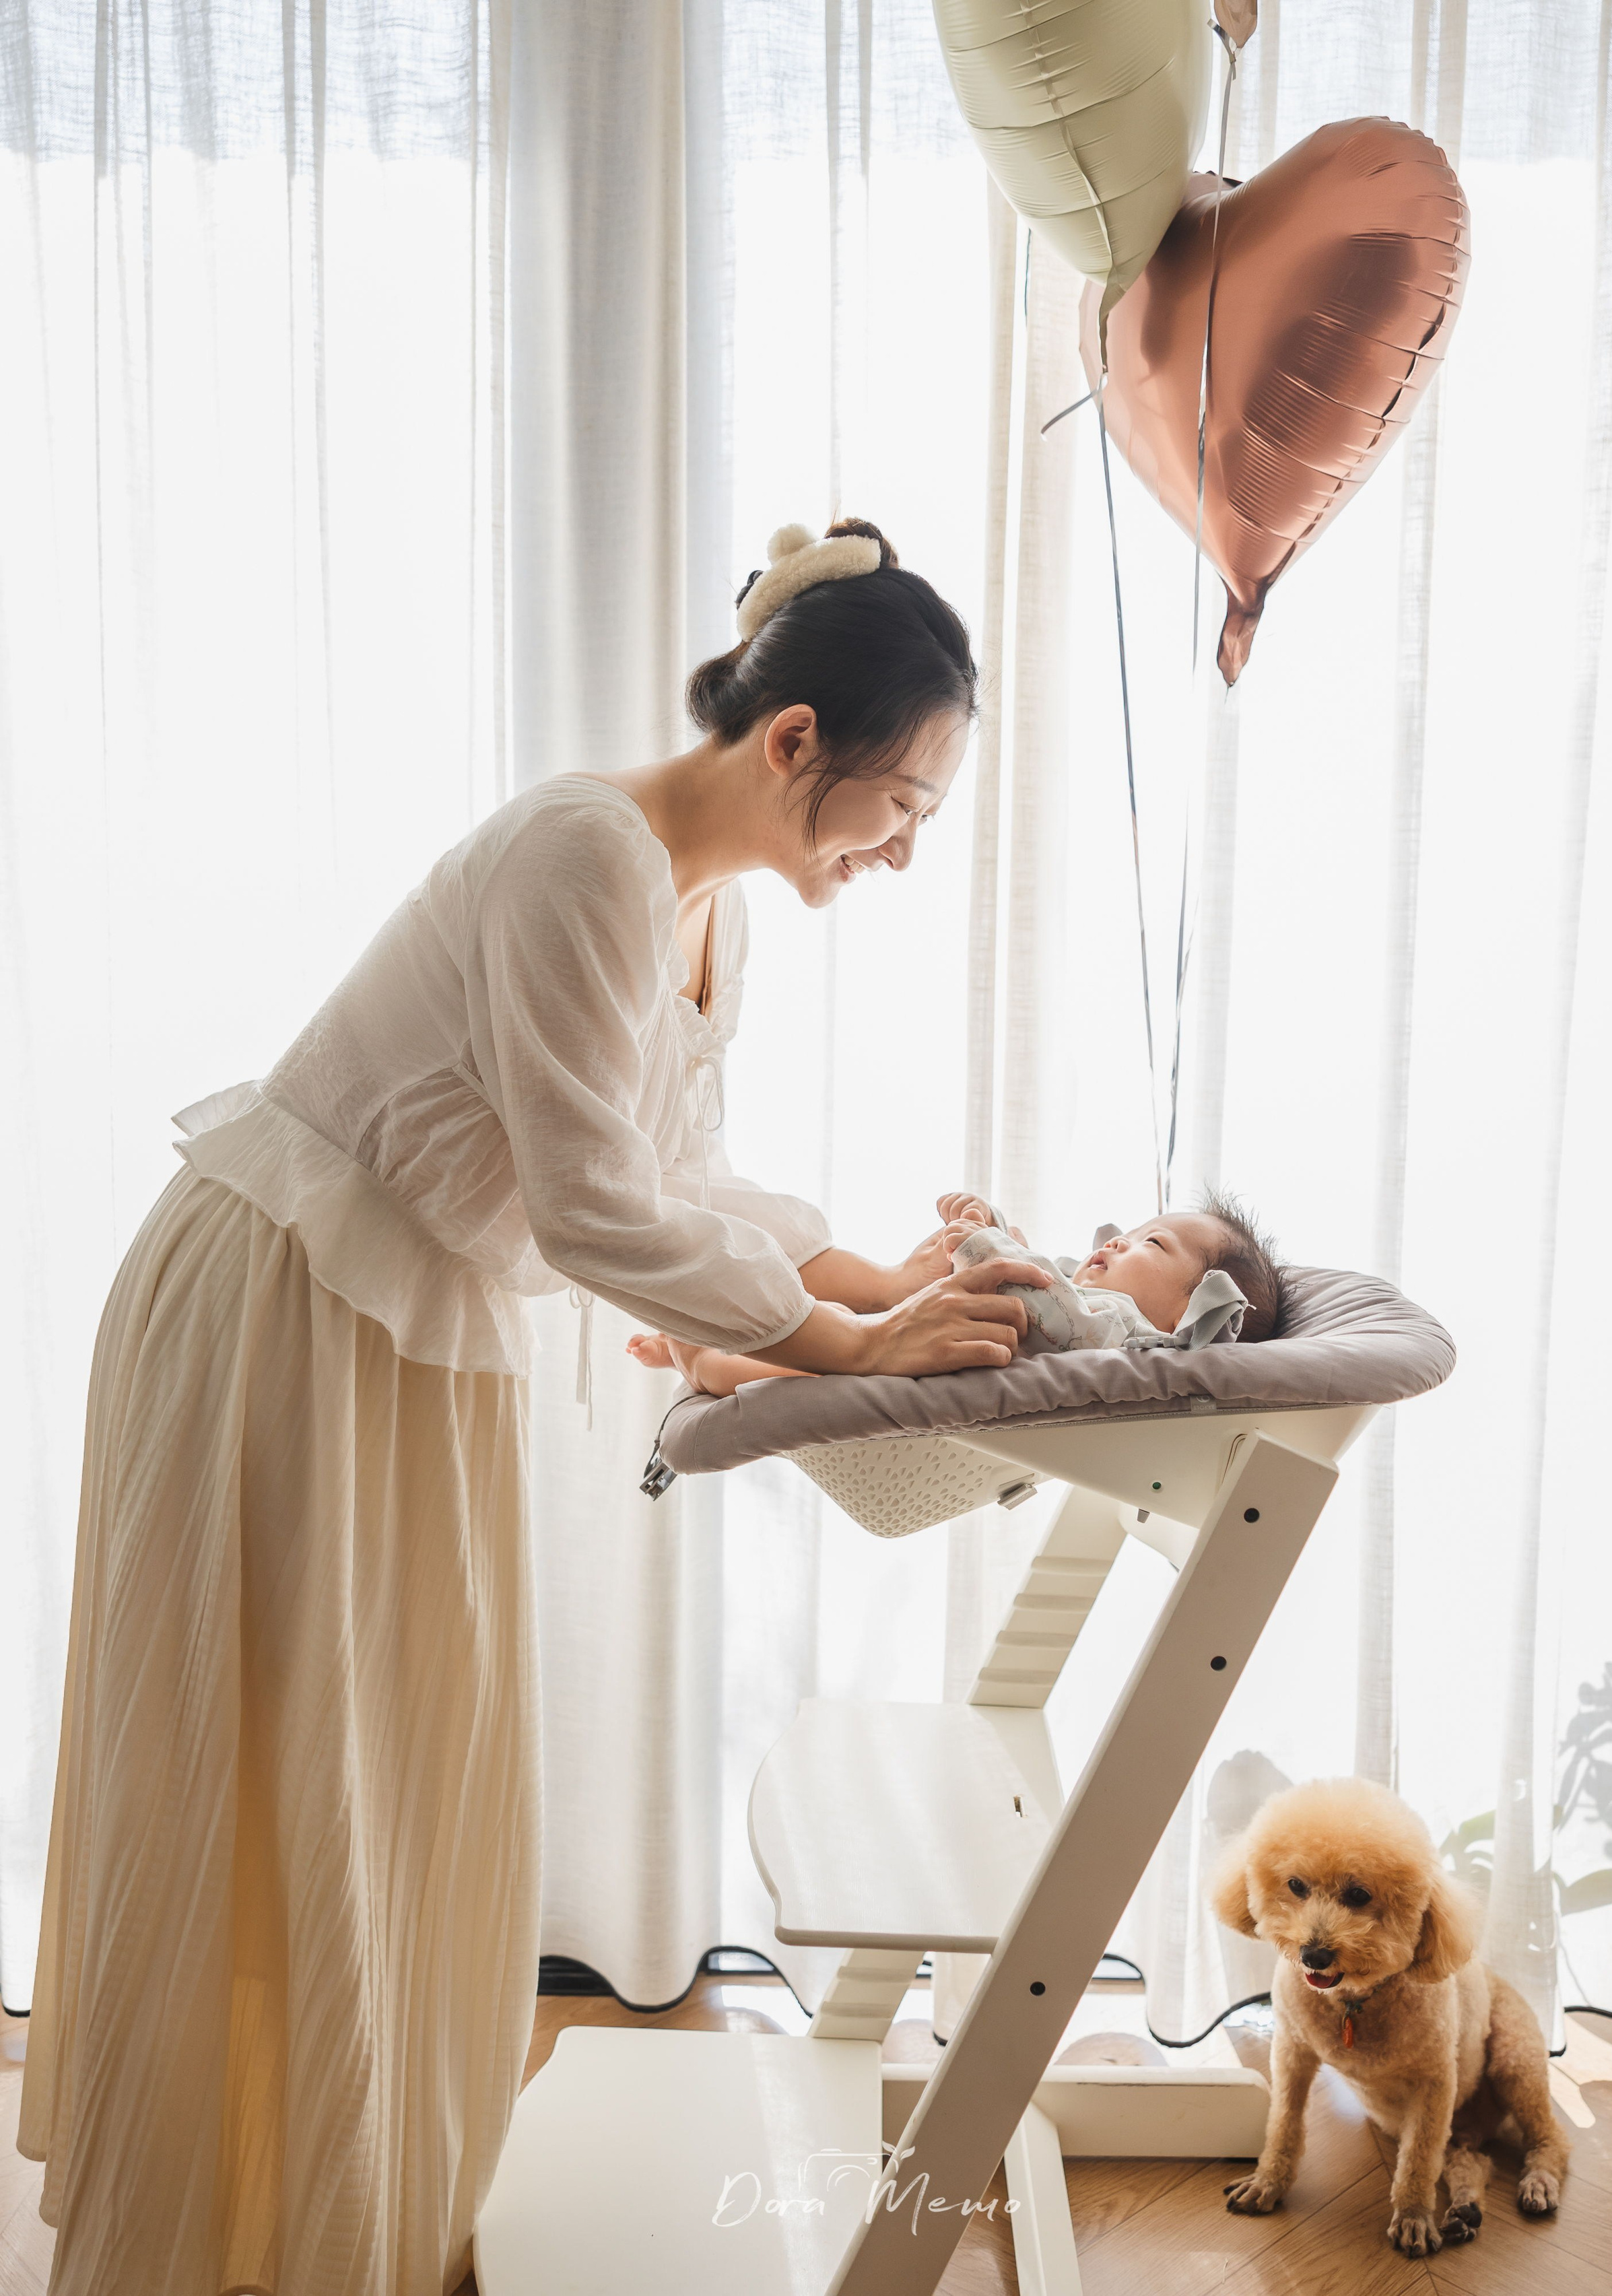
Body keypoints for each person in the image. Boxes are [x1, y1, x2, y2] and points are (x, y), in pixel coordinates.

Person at [19, 517, 1048, 2296]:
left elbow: (680, 1179)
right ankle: (236, 2221)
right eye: (902, 804)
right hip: (284, 1308)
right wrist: (848, 1347)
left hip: (395, 1334)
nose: (900, 849)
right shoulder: (587, 851)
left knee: (398, 1780)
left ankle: (340, 2208)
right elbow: (595, 1213)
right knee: (300, 1776)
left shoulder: (713, 907)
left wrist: (871, 1280)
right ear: (794, 741)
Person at [627, 1187, 1284, 1396]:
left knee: (752, 1364)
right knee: (821, 1315)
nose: (1116, 1241)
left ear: (1192, 1312)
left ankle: (696, 1351)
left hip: (921, 1368)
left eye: (1152, 1244)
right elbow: (1046, 1289)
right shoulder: (1095, 1312)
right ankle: (694, 1331)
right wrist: (995, 1234)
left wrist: (985, 1240)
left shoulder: (1122, 1332)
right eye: (1134, 1230)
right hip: (920, 1345)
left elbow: (1043, 1298)